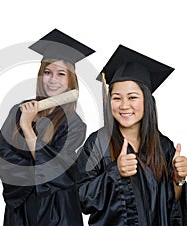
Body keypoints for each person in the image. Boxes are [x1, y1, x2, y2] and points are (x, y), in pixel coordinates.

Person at [0, 29, 95, 225]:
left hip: (58, 212)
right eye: (47, 72)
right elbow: (1, 156)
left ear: (71, 81)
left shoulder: (75, 125)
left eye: (61, 74)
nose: (52, 79)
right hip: (20, 210)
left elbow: (56, 169)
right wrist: (37, 171)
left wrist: (27, 128)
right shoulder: (19, 110)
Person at [76, 44, 184, 225]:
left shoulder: (163, 146)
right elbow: (80, 199)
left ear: (146, 101)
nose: (124, 105)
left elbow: (171, 205)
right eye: (116, 98)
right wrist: (114, 172)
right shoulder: (98, 143)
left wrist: (179, 179)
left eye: (132, 97)